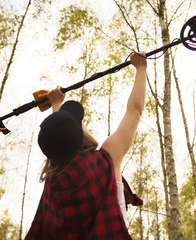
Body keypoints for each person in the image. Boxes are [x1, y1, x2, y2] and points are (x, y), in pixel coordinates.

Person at [25, 51, 147, 239]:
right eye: (80, 121)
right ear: (80, 135)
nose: (84, 123)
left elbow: (58, 139)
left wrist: (57, 104)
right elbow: (135, 110)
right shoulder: (105, 160)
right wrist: (141, 68)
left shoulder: (52, 182)